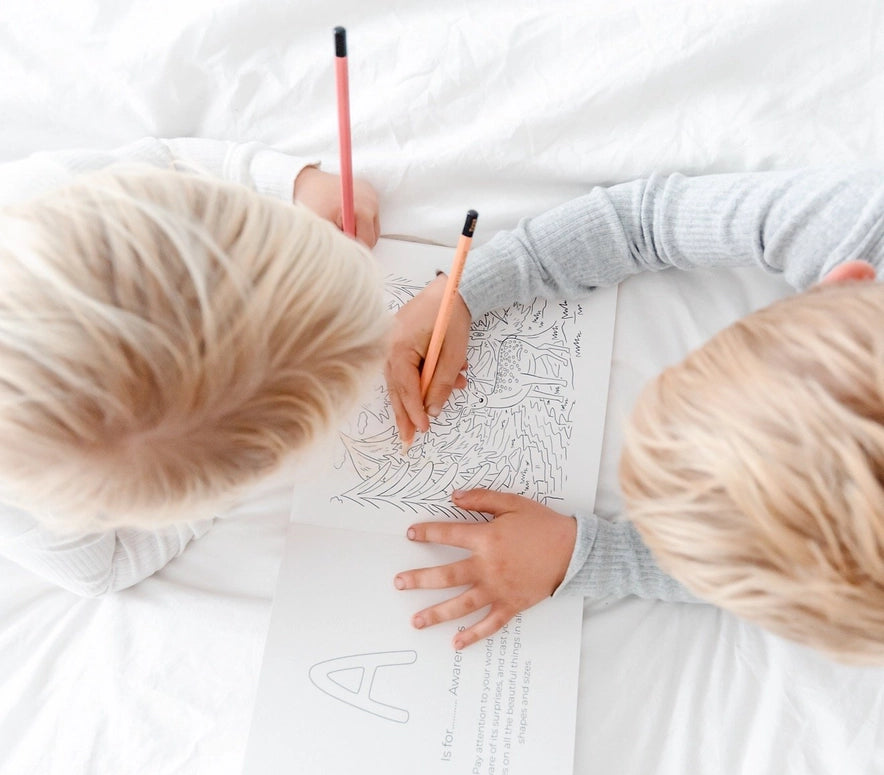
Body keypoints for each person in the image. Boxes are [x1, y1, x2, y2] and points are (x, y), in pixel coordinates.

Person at [384, 168, 884, 665]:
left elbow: (776, 574)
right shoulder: (857, 225)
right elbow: (644, 223)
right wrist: (465, 291)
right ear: (847, 281)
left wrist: (587, 555)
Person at [0, 137, 388, 595]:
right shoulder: (22, 508)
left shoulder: (51, 201)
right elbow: (104, 572)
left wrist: (291, 182)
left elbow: (169, 160)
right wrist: (218, 496)